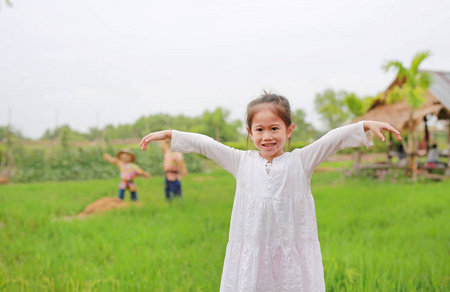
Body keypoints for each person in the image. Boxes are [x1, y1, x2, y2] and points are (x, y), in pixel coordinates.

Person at [139, 93, 402, 292]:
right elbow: (206, 145)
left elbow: (332, 139)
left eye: (274, 128)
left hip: (292, 250)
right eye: (260, 130)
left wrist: (365, 124)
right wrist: (170, 133)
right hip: (252, 250)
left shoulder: (301, 161)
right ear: (249, 132)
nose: (267, 136)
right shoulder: (241, 161)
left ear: (289, 130)